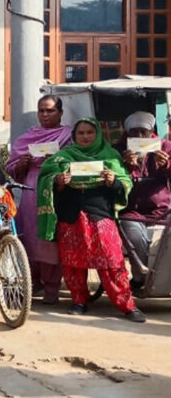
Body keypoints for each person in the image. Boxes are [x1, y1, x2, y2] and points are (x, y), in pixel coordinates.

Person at [38, 118, 146, 323]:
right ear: (74, 136)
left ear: (97, 134)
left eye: (90, 132)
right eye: (81, 133)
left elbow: (125, 183)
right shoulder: (62, 158)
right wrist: (58, 180)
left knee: (111, 261)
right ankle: (79, 301)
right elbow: (45, 178)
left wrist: (113, 181)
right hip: (70, 217)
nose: (85, 136)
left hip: (100, 215)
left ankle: (127, 305)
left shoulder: (111, 156)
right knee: (72, 263)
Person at [6, 95, 71, 304]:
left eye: (50, 110)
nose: (45, 114)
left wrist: (58, 161)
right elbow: (12, 168)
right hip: (32, 191)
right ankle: (33, 281)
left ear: (60, 113)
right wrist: (22, 164)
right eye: (41, 110)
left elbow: (76, 159)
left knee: (51, 237)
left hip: (57, 190)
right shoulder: (28, 137)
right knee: (30, 235)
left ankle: (52, 286)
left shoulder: (68, 135)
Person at [118, 111, 171, 290]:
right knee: (134, 236)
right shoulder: (119, 150)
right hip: (131, 211)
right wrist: (126, 166)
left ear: (151, 132)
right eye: (134, 133)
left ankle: (163, 277)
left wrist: (166, 165)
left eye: (144, 132)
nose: (140, 137)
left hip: (161, 209)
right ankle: (141, 277)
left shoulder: (165, 146)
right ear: (127, 134)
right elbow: (114, 179)